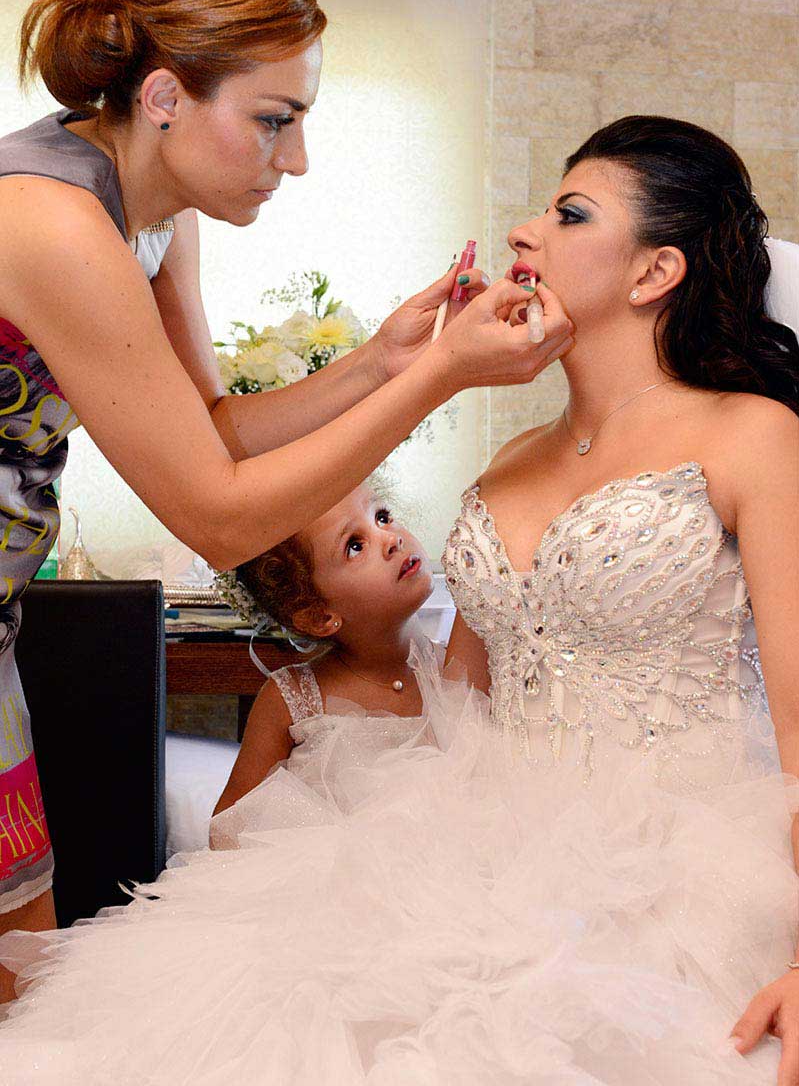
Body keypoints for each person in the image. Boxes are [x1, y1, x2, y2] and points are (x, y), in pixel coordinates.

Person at [1, 115, 795, 1086]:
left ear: (653, 272)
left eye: (570, 213)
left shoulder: (752, 436)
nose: (524, 231)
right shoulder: (510, 463)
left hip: (687, 866)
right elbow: (455, 710)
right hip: (490, 854)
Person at [0, 0, 572, 977]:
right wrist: (443, 377)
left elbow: (212, 431)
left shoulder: (153, 214)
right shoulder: (55, 223)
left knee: (17, 977)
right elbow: (217, 515)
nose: (296, 158)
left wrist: (380, 364)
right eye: (274, 119)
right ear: (164, 98)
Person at [210, 478, 437, 840]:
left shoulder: (459, 666)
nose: (391, 539)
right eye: (355, 546)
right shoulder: (293, 699)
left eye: (382, 516)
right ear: (318, 616)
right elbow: (228, 827)